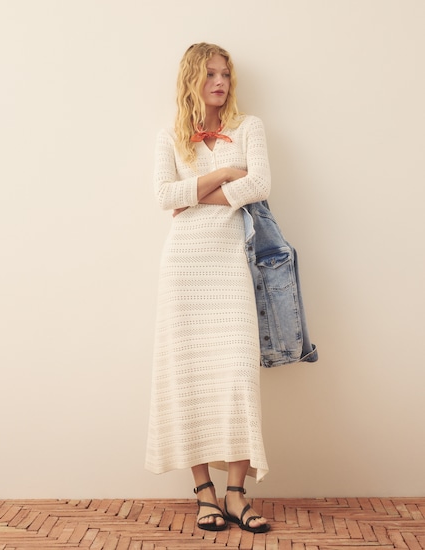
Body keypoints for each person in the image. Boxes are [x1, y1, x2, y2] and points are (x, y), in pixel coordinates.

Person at [145, 42, 271, 534]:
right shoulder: (170, 136)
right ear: (192, 80)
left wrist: (195, 194)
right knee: (189, 375)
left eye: (225, 74)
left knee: (237, 374)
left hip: (230, 263)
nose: (220, 82)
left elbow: (259, 185)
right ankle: (205, 492)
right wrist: (222, 175)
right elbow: (163, 195)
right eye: (210, 74)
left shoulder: (249, 127)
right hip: (183, 267)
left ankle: (236, 492)